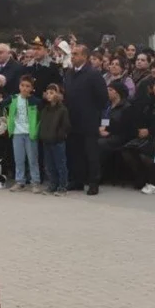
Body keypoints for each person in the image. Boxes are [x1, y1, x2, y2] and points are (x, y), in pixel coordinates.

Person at [63, 45, 109, 195]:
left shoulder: (93, 74)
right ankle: (77, 180)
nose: (72, 56)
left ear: (84, 56)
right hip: (72, 119)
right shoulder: (69, 73)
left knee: (91, 153)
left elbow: (103, 99)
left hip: (89, 120)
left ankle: (93, 182)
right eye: (72, 54)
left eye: (76, 54)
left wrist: (93, 113)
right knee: (75, 151)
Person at [8, 75, 42, 193]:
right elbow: (1, 106)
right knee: (19, 159)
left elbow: (40, 117)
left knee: (32, 159)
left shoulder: (35, 101)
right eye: (22, 85)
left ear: (32, 88)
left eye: (27, 86)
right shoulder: (13, 99)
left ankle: (35, 182)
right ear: (19, 86)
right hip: (17, 133)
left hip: (30, 133)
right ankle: (20, 181)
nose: (24, 88)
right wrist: (6, 119)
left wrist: (37, 129)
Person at [39, 83, 71, 196]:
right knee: (49, 165)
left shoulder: (62, 109)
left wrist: (59, 136)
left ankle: (62, 186)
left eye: (52, 93)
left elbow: (65, 125)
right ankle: (53, 185)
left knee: (60, 164)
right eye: (47, 93)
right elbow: (42, 123)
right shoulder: (45, 109)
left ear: (58, 94)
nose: (49, 95)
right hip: (46, 140)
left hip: (57, 141)